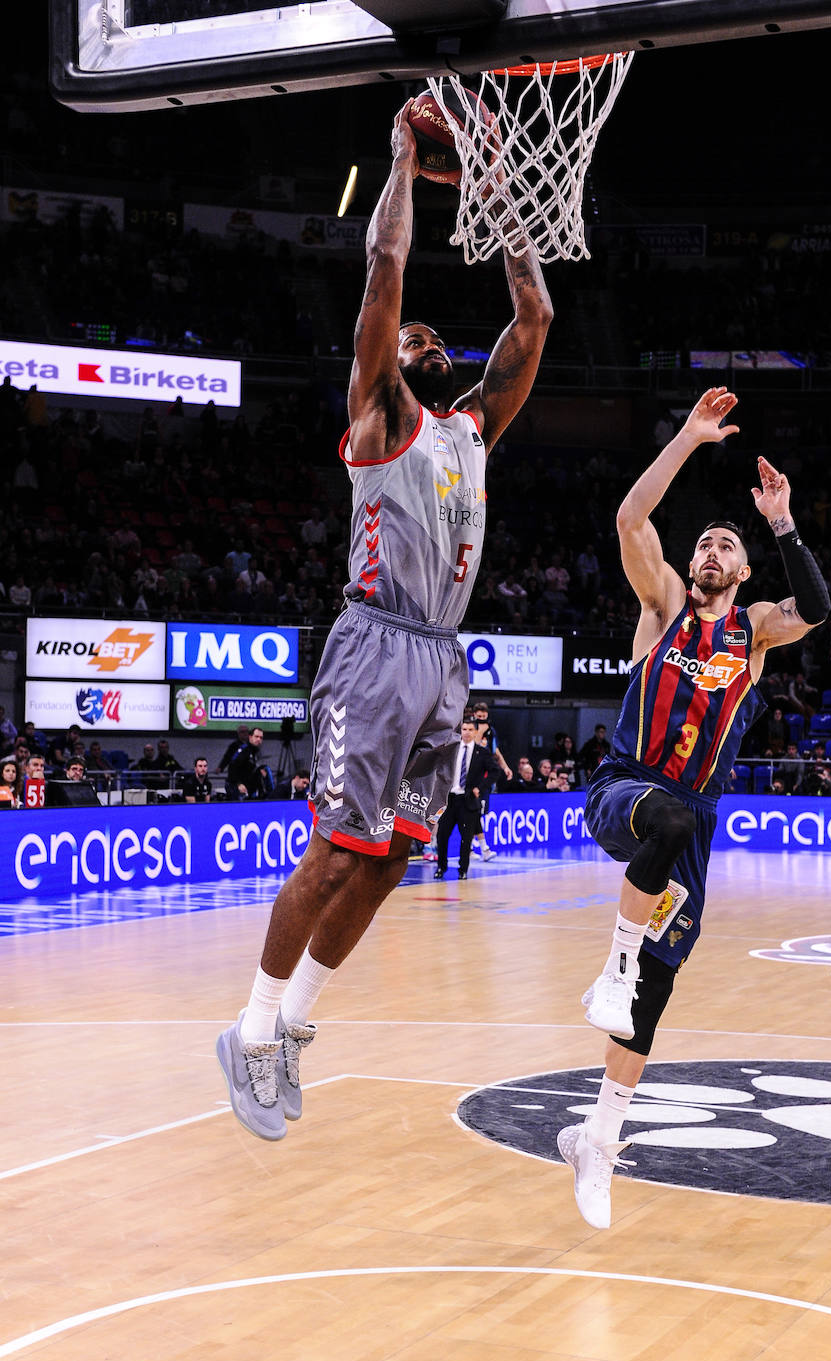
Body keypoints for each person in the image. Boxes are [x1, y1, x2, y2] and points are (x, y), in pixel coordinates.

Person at [216, 100, 552, 1142]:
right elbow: (383, 273)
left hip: (441, 659)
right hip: (373, 646)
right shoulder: (382, 414)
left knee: (397, 854)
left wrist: (504, 201)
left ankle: (299, 1023)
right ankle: (250, 1027)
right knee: (330, 853)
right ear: (386, 363)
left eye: (434, 335)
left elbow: (532, 320)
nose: (426, 336)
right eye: (412, 336)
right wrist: (404, 158)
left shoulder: (472, 429)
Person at [558, 387, 830, 1228]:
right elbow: (631, 517)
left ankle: (597, 1141)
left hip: (694, 825)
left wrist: (781, 523)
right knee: (666, 822)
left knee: (656, 995)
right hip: (626, 789)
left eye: (726, 545)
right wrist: (687, 438)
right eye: (705, 541)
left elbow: (816, 608)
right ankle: (611, 964)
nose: (712, 549)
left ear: (745, 572)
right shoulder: (663, 606)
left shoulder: (753, 632)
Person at [435, 720, 498, 879]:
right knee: (442, 836)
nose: (467, 732)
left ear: (476, 732)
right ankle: (441, 867)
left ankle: (463, 870)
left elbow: (495, 772)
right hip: (449, 800)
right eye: (464, 729)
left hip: (468, 800)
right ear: (460, 731)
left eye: (470, 729)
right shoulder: (452, 750)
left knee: (466, 839)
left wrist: (480, 787)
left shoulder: (482, 752)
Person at [470, 702, 512, 860]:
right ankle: (482, 848)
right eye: (478, 716)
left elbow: (495, 752)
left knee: (477, 813)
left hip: (485, 778)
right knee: (472, 812)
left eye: (483, 716)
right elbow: (471, 747)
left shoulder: (491, 731)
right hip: (470, 777)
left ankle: (472, 848)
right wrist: (480, 730)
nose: (481, 718)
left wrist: (505, 767)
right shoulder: (470, 729)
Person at [226, 726, 274, 800]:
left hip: (250, 787)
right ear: (250, 737)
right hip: (237, 786)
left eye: (261, 738)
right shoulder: (244, 750)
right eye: (256, 736)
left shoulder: (256, 751)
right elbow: (232, 767)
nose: (259, 739)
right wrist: (238, 784)